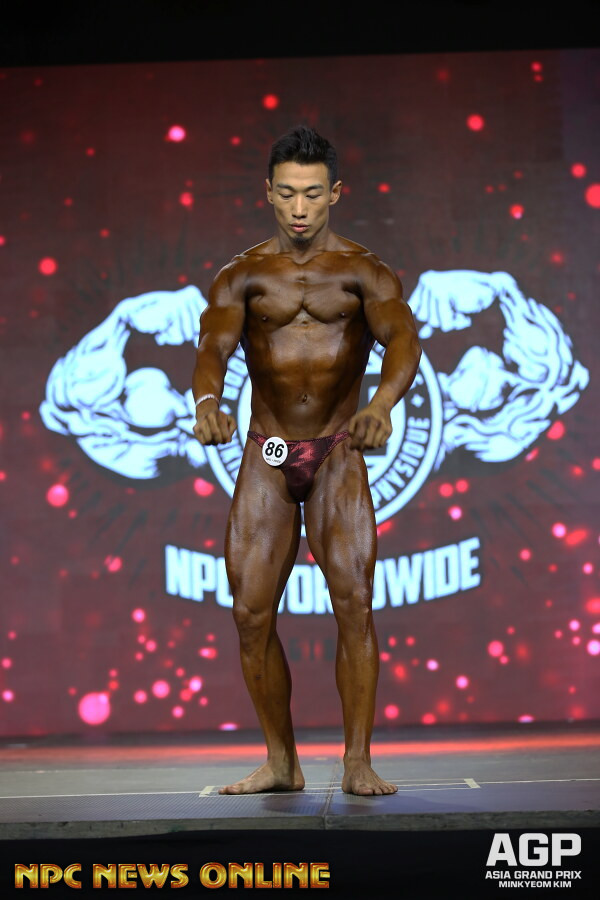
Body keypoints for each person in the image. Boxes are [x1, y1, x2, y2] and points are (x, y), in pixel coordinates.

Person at [192, 125, 421, 795]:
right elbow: (212, 347)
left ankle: (357, 760)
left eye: (313, 194)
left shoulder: (364, 271)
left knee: (354, 604)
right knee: (250, 614)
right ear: (268, 193)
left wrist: (381, 405)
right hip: (266, 454)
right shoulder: (241, 276)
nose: (299, 208)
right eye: (288, 193)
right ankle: (281, 761)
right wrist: (206, 400)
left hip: (337, 452)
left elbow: (403, 340)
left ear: (335, 194)